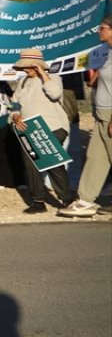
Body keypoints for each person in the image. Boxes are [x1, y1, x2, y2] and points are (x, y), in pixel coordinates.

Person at [9, 48, 74, 214]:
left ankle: (67, 199)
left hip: (53, 127)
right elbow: (14, 103)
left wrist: (42, 73)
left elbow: (55, 94)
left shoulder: (53, 78)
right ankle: (38, 201)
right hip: (30, 129)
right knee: (31, 165)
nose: (26, 69)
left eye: (30, 66)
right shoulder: (23, 81)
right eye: (24, 67)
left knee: (52, 162)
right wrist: (16, 116)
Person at [61, 15, 112, 217]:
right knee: (95, 157)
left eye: (102, 28)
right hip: (100, 113)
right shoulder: (105, 52)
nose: (99, 31)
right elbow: (97, 80)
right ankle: (85, 201)